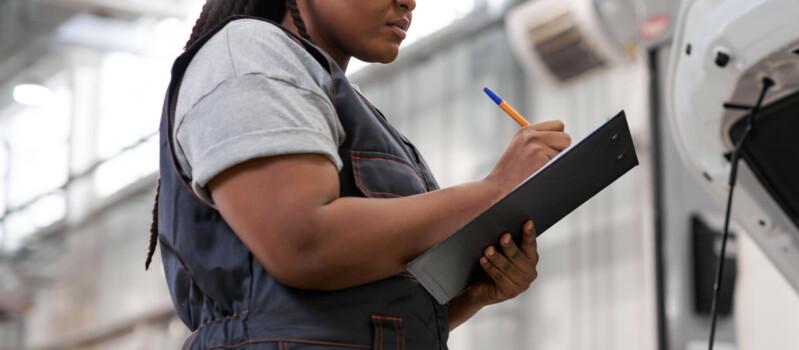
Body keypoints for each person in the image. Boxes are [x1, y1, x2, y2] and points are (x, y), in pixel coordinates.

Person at [144, 0, 572, 348]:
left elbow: (349, 316)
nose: (409, 3)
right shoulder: (248, 55)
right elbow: (303, 243)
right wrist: (493, 191)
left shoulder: (346, 105)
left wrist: (468, 297)